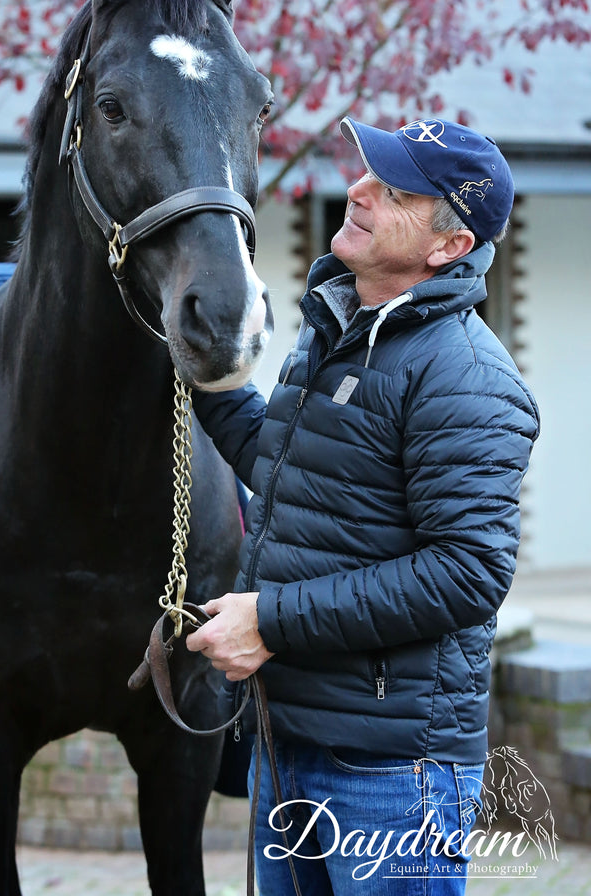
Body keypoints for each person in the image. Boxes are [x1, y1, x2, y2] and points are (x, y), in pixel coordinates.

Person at [186, 117, 540, 895]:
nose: (359, 190)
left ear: (448, 247)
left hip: (392, 771)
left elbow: (468, 573)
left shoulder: (467, 375)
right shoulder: (336, 333)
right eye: (368, 174)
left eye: (395, 191)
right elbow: (284, 467)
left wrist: (270, 621)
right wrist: (201, 369)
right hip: (293, 741)